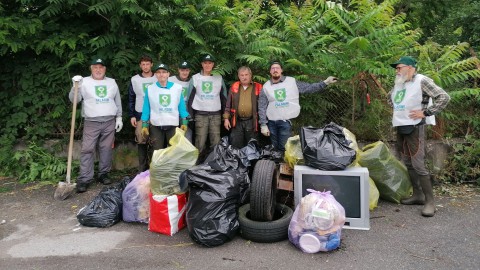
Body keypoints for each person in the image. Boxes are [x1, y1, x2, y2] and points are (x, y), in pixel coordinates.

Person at [389, 56, 450, 217]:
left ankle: (430, 202)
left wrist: (425, 112)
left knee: (418, 164)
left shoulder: (422, 81)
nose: (397, 71)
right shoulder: (400, 83)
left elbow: (444, 97)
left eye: (399, 67)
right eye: (396, 69)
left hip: (416, 127)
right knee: (408, 162)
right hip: (402, 126)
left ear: (410, 68)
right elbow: (393, 100)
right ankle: (418, 195)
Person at [258, 60, 338, 152]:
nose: (275, 70)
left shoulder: (291, 82)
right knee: (274, 148)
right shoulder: (266, 86)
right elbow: (262, 106)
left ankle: (284, 165)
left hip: (285, 122)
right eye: (273, 68)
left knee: (284, 148)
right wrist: (263, 124)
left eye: (277, 68)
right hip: (271, 122)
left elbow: (308, 88)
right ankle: (274, 165)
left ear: (281, 70)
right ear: (270, 71)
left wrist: (325, 83)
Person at [70, 58, 123, 193]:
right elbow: (74, 100)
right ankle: (84, 179)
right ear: (91, 69)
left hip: (109, 121)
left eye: (101, 67)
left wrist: (119, 117)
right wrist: (75, 86)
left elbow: (117, 101)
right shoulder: (84, 82)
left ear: (105, 69)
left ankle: (103, 174)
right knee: (87, 149)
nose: (98, 70)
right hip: (91, 121)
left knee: (106, 148)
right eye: (95, 67)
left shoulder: (111, 82)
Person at [140, 63, 189, 151]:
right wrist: (144, 123)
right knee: (157, 151)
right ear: (155, 75)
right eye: (158, 72)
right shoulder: (150, 89)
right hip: (156, 126)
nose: (161, 74)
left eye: (164, 72)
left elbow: (181, 106)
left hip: (173, 125)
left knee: (173, 151)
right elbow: (146, 107)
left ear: (168, 74)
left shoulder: (177, 88)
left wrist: (184, 121)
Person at [187, 54, 227, 153]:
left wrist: (225, 115)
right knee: (200, 142)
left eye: (210, 63)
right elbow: (189, 98)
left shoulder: (219, 78)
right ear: (202, 64)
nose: (207, 65)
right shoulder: (195, 78)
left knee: (216, 141)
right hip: (200, 115)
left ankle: (215, 164)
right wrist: (190, 116)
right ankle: (197, 165)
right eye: (205, 63)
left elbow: (224, 98)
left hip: (215, 115)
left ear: (213, 64)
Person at [128, 55, 157, 172]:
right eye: (143, 64)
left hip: (156, 114)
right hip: (140, 114)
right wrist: (132, 115)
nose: (145, 66)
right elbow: (131, 97)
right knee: (141, 141)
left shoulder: (158, 77)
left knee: (155, 141)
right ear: (140, 65)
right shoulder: (135, 79)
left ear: (151, 65)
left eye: (147, 64)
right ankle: (142, 169)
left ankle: (154, 169)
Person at [223, 66, 263, 149]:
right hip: (237, 121)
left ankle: (253, 162)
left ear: (250, 75)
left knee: (253, 146)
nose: (244, 77)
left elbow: (263, 106)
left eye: (246, 75)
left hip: (252, 121)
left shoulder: (258, 87)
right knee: (236, 145)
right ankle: (237, 161)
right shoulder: (234, 86)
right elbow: (228, 104)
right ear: (238, 76)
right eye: (242, 75)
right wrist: (226, 119)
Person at [169, 60, 193, 142]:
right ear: (179, 70)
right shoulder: (171, 80)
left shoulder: (192, 82)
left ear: (189, 71)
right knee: (172, 137)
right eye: (182, 70)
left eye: (187, 70)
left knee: (187, 137)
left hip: (187, 114)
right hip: (173, 113)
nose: (184, 72)